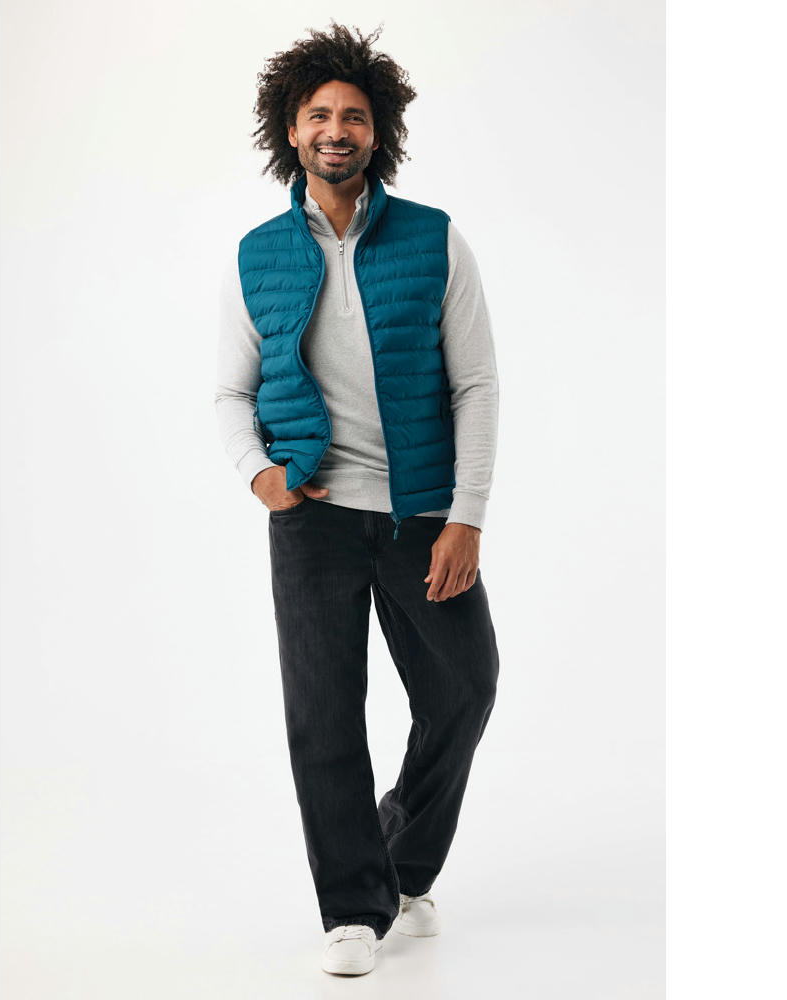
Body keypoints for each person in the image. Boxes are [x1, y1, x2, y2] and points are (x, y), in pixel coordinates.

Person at [214, 21, 501, 977]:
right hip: (314, 520)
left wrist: (465, 516)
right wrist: (260, 474)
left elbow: (476, 385)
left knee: (464, 686)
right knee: (325, 711)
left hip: (421, 516)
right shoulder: (258, 255)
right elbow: (229, 391)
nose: (335, 129)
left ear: (379, 133)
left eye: (354, 116)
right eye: (318, 115)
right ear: (291, 130)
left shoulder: (433, 238)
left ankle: (400, 863)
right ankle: (352, 909)